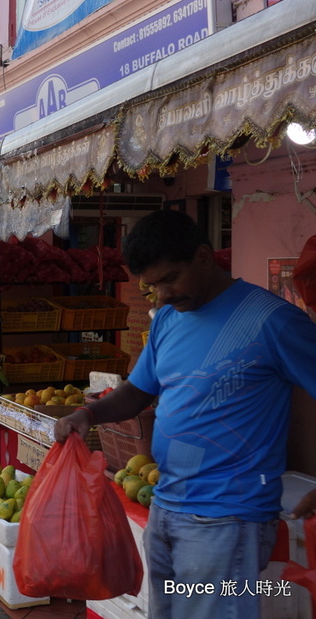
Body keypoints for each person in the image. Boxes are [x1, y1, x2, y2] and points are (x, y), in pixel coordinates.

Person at [54, 209, 316, 619]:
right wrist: (88, 415)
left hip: (228, 520)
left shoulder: (273, 321)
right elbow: (139, 391)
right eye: (152, 286)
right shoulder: (168, 321)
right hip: (167, 507)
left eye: (169, 279)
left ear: (204, 256)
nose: (161, 296)